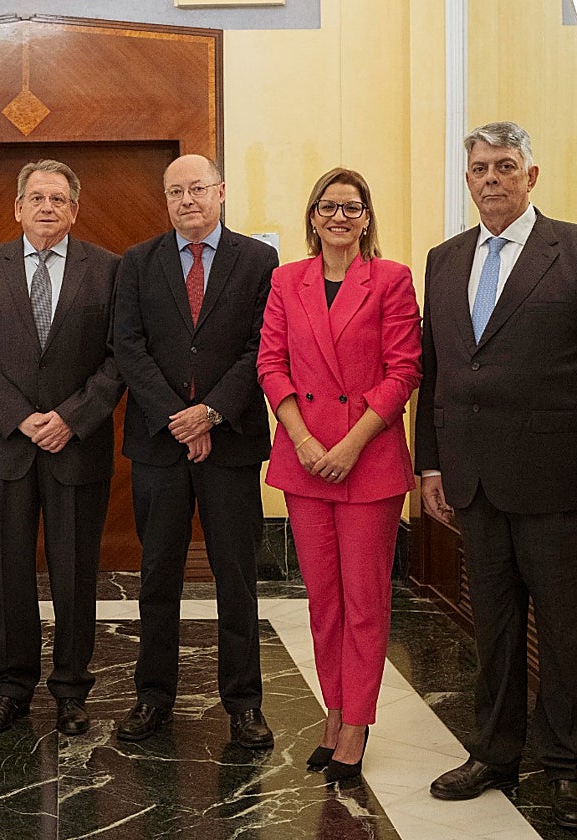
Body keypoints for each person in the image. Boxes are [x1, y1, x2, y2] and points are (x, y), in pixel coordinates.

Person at [416, 122, 577, 829]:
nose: (491, 178)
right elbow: (438, 369)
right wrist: (430, 463)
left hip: (556, 482)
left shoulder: (570, 250)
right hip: (472, 483)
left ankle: (568, 763)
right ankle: (495, 753)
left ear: (531, 176)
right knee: (498, 630)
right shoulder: (445, 259)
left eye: (505, 166)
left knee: (568, 634)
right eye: (479, 167)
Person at [257, 168, 421, 784]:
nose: (339, 217)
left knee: (364, 603)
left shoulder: (392, 280)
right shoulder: (285, 280)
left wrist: (349, 445)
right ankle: (334, 711)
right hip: (304, 461)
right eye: (328, 207)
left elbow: (403, 371)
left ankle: (358, 722)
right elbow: (271, 363)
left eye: (351, 207)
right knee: (323, 602)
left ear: (366, 217)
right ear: (312, 216)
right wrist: (302, 440)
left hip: (367, 461)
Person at [0, 159, 123, 737]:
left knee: (76, 573)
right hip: (5, 444)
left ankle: (73, 690)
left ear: (75, 210)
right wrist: (23, 418)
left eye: (58, 198)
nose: (47, 206)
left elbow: (117, 358)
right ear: (17, 207)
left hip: (77, 445)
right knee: (5, 573)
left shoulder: (107, 269)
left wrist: (70, 419)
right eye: (36, 197)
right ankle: (11, 688)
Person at [112, 154, 276, 748]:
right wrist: (179, 419)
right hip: (158, 445)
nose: (187, 200)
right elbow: (127, 346)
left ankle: (244, 704)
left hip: (230, 443)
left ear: (222, 192)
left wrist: (210, 412)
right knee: (158, 576)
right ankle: (153, 697)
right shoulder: (138, 262)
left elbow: (262, 346)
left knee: (236, 576)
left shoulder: (258, 260)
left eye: (198, 188)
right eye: (175, 191)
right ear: (166, 199)